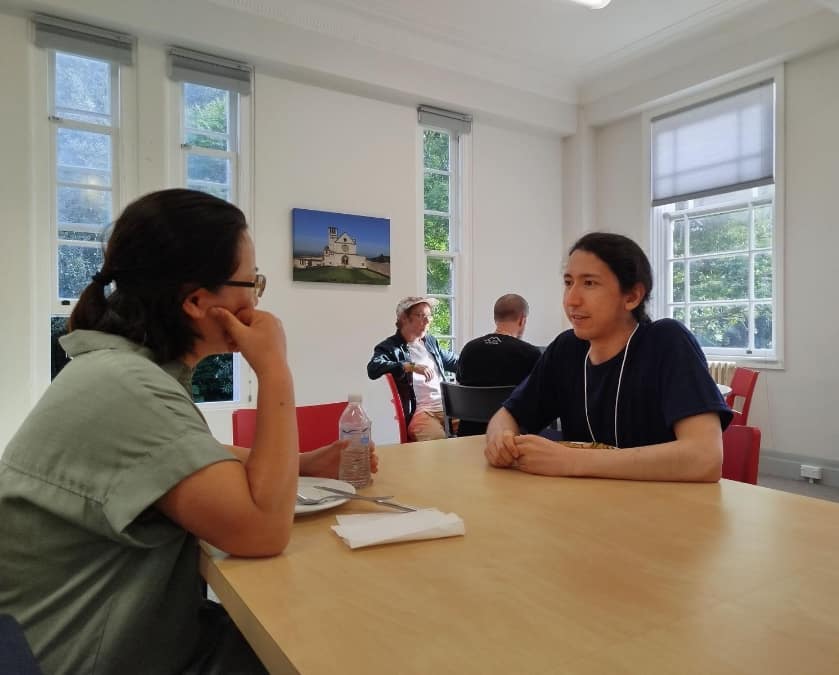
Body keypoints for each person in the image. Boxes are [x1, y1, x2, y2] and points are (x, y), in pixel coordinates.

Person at [0, 189, 373, 675]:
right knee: (330, 643)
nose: (257, 297)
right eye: (252, 282)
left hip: (92, 635)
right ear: (198, 301)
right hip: (85, 654)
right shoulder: (130, 389)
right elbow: (262, 532)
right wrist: (275, 368)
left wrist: (301, 464)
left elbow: (188, 456)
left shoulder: (118, 372)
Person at [484, 232, 732, 482]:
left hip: (661, 510)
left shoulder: (666, 341)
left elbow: (705, 458)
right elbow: (507, 415)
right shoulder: (567, 349)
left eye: (589, 283)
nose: (571, 299)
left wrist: (570, 460)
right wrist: (500, 437)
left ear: (632, 296)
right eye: (569, 282)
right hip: (587, 509)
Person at [367, 296, 458, 441]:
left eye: (429, 316)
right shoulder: (391, 347)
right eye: (421, 316)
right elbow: (373, 368)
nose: (427, 321)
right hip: (421, 413)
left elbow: (455, 362)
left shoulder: (430, 342)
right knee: (438, 443)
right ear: (403, 318)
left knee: (479, 426)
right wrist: (409, 366)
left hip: (446, 407)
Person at [455, 293, 542, 435]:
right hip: (512, 438)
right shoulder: (530, 353)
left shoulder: (469, 349)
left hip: (469, 434)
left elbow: (460, 386)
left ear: (495, 318)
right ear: (522, 320)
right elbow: (538, 399)